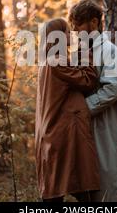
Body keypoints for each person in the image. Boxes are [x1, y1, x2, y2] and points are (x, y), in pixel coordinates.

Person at [69, 0, 117, 202]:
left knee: (109, 187)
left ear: (94, 22)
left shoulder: (110, 50)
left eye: (78, 25)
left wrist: (83, 109)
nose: (74, 31)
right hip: (82, 130)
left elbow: (113, 88)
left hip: (106, 128)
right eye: (72, 27)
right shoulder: (76, 53)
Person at [35, 18, 100, 202]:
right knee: (70, 193)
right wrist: (86, 51)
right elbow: (87, 80)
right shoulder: (57, 62)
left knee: (59, 190)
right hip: (62, 138)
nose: (70, 35)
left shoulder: (48, 62)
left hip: (55, 136)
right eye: (66, 32)